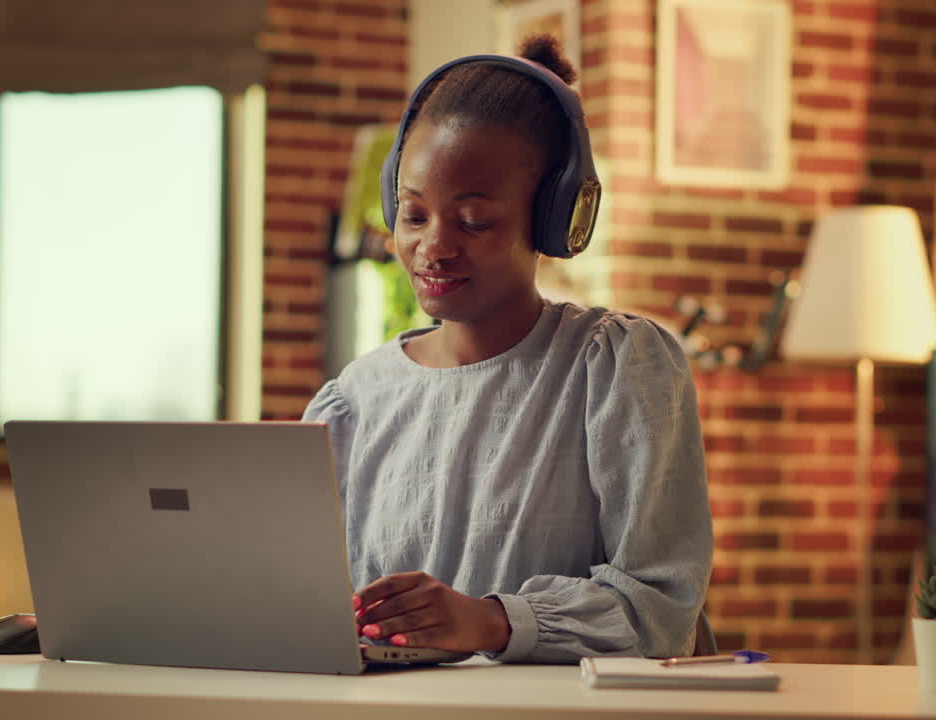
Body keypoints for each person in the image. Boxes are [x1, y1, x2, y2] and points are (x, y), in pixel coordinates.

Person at [302, 35, 713, 664]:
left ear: (553, 218)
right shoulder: (354, 401)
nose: (433, 246)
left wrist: (491, 621)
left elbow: (660, 608)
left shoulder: (613, 367)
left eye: (474, 221)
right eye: (413, 216)